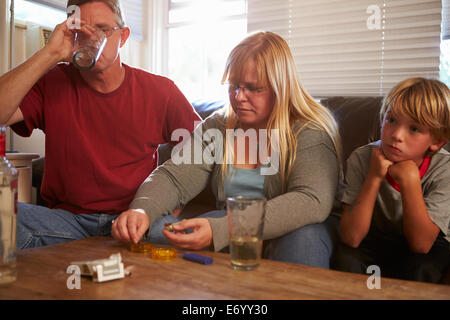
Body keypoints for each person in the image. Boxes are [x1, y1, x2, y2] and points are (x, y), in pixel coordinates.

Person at [112, 31, 343, 268]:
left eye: (253, 88)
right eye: (234, 85)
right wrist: (142, 210)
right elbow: (174, 178)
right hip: (230, 227)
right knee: (157, 229)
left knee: (304, 240)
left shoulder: (311, 130)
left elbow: (310, 200)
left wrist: (223, 229)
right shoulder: (218, 126)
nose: (239, 97)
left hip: (296, 229)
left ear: (280, 88)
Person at [0, 0, 200, 249]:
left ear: (123, 36)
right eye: (82, 31)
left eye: (102, 29)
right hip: (65, 223)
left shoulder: (160, 91)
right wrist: (49, 54)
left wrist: (167, 208)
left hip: (135, 219)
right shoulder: (53, 82)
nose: (92, 39)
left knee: (174, 235)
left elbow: (201, 154)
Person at [333, 77, 450, 283]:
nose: (396, 135)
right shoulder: (361, 158)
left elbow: (421, 245)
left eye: (414, 129)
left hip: (425, 244)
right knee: (346, 258)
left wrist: (410, 181)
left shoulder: (445, 169)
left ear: (436, 141)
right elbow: (352, 238)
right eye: (391, 120)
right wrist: (374, 176)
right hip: (373, 237)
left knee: (422, 267)